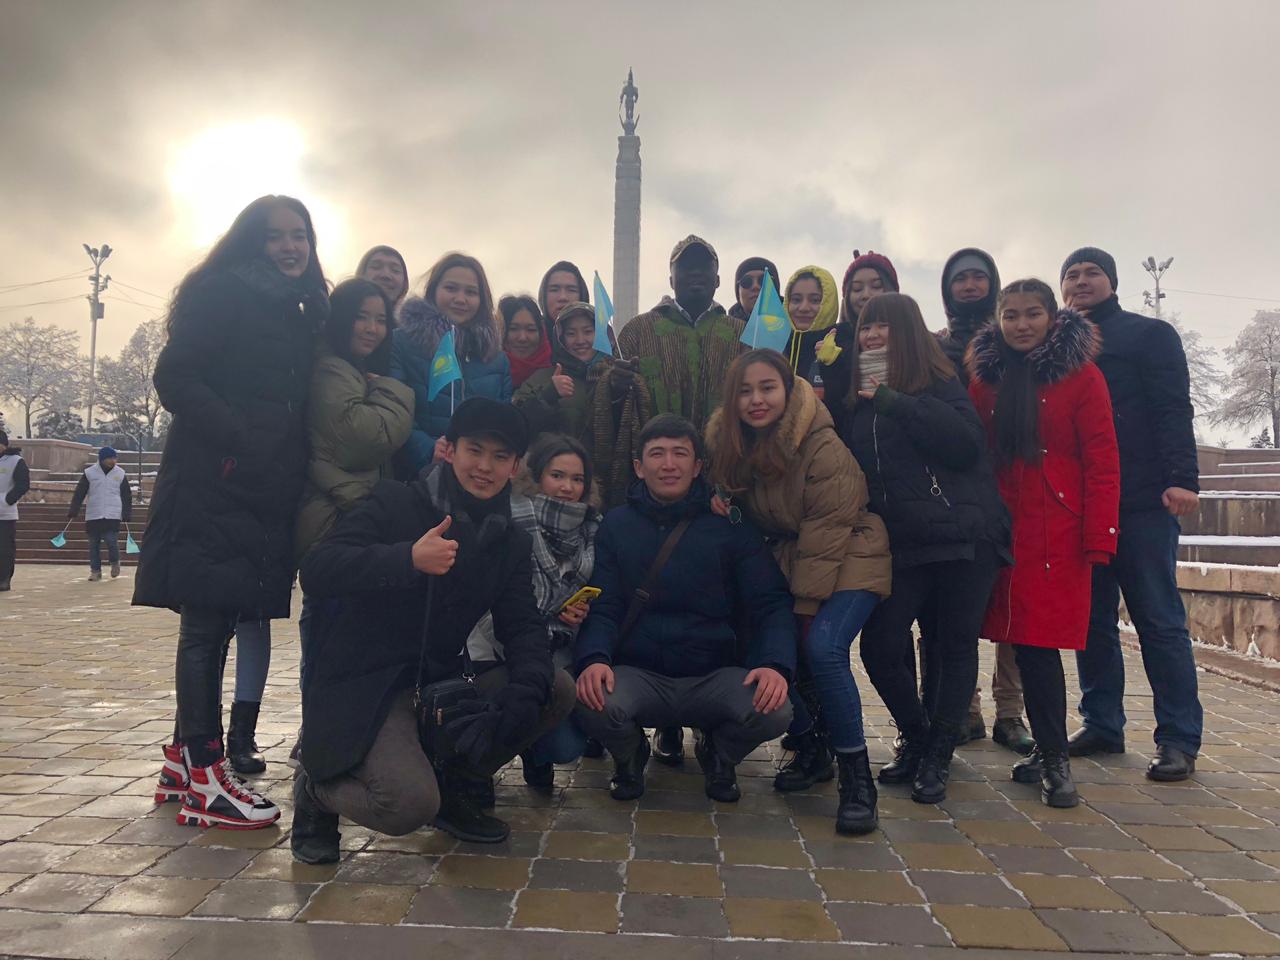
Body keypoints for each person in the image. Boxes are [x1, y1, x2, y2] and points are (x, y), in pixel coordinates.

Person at [290, 398, 576, 861]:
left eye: (500, 456)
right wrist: (406, 559)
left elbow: (522, 624)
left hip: (439, 683)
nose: (484, 467)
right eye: (474, 450)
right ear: (449, 449)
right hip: (367, 685)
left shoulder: (508, 540)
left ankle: (457, 785)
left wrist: (523, 696)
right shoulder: (394, 501)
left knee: (554, 688)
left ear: (515, 466)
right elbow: (318, 570)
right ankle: (315, 790)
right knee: (406, 805)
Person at [135, 194, 329, 829]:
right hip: (215, 480)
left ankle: (181, 763)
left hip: (253, 485)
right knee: (205, 623)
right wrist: (240, 441)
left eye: (299, 234)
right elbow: (175, 376)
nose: (290, 246)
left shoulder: (295, 308)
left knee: (217, 621)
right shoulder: (224, 293)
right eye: (275, 235)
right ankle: (205, 776)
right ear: (252, 241)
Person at [818, 293, 1010, 804]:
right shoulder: (860, 398)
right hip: (904, 543)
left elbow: (965, 445)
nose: (871, 334)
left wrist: (896, 401)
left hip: (963, 537)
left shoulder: (937, 379)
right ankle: (919, 737)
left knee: (952, 647)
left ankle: (939, 755)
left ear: (906, 331)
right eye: (865, 326)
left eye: (883, 325)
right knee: (880, 647)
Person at [706, 351, 891, 833]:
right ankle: (811, 745)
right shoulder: (735, 446)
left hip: (851, 551)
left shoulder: (820, 444)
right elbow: (741, 508)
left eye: (767, 387)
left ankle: (857, 779)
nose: (756, 399)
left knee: (822, 648)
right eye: (745, 391)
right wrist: (721, 502)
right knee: (758, 642)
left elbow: (827, 528)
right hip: (794, 558)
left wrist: (804, 609)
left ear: (788, 391)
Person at [573, 414, 797, 803]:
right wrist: (594, 658)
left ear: (697, 467)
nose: (669, 464)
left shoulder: (729, 526)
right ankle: (630, 753)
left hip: (713, 674)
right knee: (590, 697)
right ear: (639, 466)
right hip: (639, 673)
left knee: (774, 709)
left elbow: (770, 602)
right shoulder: (616, 525)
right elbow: (604, 604)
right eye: (657, 454)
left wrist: (775, 664)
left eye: (680, 453)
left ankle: (720, 753)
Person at [967, 279, 1120, 807]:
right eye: (1010, 315)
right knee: (1007, 636)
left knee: (1037, 644)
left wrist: (1099, 537)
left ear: (1052, 317)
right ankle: (1039, 748)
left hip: (1056, 532)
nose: (1021, 324)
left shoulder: (1082, 375)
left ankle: (1055, 758)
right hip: (999, 526)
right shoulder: (985, 380)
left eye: (1032, 313)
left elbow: (1102, 459)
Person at [1059, 247, 1203, 781]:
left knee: (1158, 621)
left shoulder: (1149, 335)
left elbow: (1172, 407)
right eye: (1071, 274)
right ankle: (1102, 722)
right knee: (1092, 621)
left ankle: (1179, 737)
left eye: (1092, 272)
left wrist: (1182, 477)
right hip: (1082, 506)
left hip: (1141, 501)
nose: (1081, 281)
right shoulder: (1056, 345)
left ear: (1113, 282)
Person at [293, 277, 415, 724]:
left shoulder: (352, 370)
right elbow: (367, 438)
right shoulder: (331, 370)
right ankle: (319, 735)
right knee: (327, 634)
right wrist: (394, 391)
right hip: (333, 520)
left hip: (350, 516)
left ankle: (332, 732)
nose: (371, 328)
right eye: (362, 317)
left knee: (343, 636)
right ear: (342, 318)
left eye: (380, 320)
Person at [935, 248, 1032, 754]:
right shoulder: (935, 346)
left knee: (1013, 600)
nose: (970, 286)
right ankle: (963, 709)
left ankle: (1010, 712)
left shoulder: (1013, 342)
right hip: (954, 485)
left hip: (1009, 482)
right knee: (956, 606)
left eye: (978, 277)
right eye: (961, 278)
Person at [470, 434, 601, 789]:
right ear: (537, 477)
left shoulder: (591, 530)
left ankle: (534, 748)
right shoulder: (508, 520)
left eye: (577, 479)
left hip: (557, 650)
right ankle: (474, 767)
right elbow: (486, 603)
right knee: (517, 704)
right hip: (497, 648)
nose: (567, 487)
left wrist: (575, 615)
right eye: (557, 475)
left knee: (566, 746)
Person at [392, 253, 511, 475]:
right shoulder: (403, 342)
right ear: (433, 290)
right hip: (419, 473)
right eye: (451, 288)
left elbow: (502, 422)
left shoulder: (497, 358)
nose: (460, 299)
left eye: (471, 292)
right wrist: (429, 449)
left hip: (478, 474)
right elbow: (396, 410)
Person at [618, 236, 745, 434]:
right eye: (686, 267)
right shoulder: (637, 331)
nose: (695, 272)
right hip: (657, 450)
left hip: (725, 451)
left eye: (704, 266)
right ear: (671, 280)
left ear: (718, 280)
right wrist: (614, 385)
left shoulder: (742, 334)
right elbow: (612, 401)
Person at [813, 251, 900, 433]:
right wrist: (830, 368)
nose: (866, 295)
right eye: (857, 289)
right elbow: (837, 415)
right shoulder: (836, 342)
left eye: (876, 286)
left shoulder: (917, 342)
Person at [514, 302, 611, 441]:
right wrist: (549, 394)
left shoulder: (616, 376)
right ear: (560, 338)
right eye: (571, 333)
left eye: (588, 332)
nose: (580, 340)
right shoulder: (542, 378)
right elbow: (516, 424)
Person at [66, 446, 133, 581]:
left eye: (114, 458)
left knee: (111, 541)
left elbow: (126, 495)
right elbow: (80, 492)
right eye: (110, 458)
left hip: (112, 514)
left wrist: (126, 513)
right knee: (93, 544)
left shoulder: (120, 473)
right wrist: (74, 509)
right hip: (94, 513)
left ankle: (115, 562)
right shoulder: (90, 473)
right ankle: (95, 571)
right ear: (102, 459)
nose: (113, 461)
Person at [782, 266, 839, 381]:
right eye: (796, 299)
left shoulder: (844, 343)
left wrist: (833, 364)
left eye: (815, 300)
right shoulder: (774, 346)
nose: (804, 308)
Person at [500, 294, 553, 389]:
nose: (522, 338)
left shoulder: (556, 375)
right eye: (513, 329)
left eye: (531, 329)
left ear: (541, 333)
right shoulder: (483, 372)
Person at [0, 430, 30, 592]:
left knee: (5, 548)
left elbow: (23, 484)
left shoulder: (15, 461)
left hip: (5, 514)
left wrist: (7, 499)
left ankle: (4, 578)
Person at [538, 261, 590, 344]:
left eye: (571, 290)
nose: (563, 297)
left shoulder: (601, 344)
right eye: (554, 290)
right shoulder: (528, 340)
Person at [728, 257, 782, 323]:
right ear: (738, 293)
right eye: (747, 281)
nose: (755, 286)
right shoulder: (721, 327)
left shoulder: (793, 323)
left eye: (764, 280)